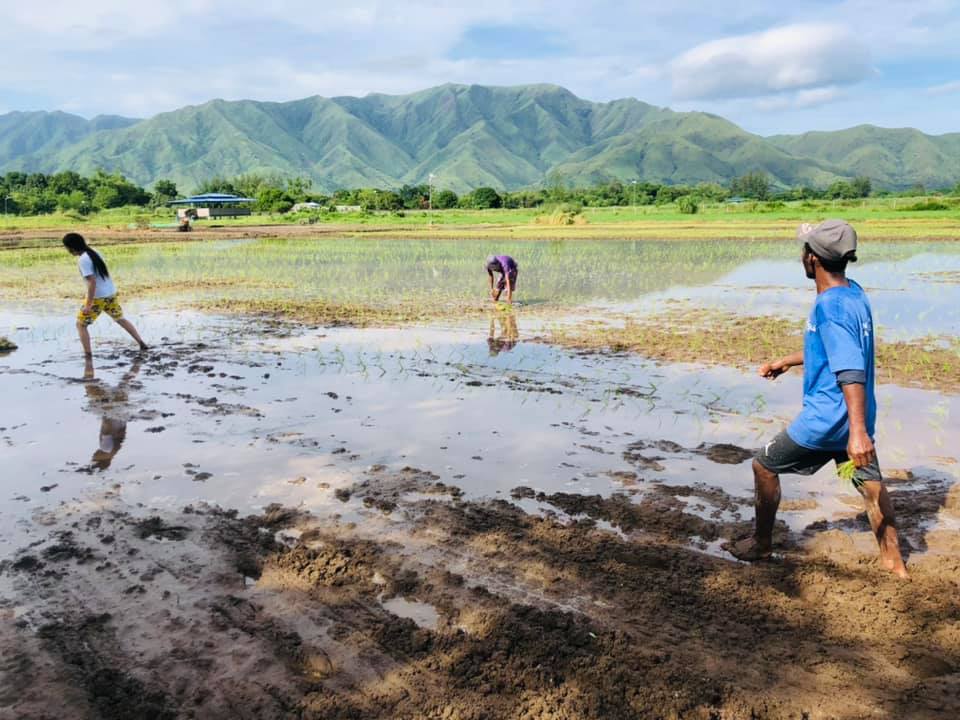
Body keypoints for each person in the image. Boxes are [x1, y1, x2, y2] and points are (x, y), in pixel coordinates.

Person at [723, 220, 908, 579]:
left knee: (764, 465)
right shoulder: (853, 293)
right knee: (870, 485)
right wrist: (785, 362)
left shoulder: (830, 307)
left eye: (803, 252)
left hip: (827, 419)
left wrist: (855, 433)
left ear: (812, 259)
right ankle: (894, 562)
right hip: (855, 417)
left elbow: (850, 370)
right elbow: (834, 349)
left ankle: (761, 544)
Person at [62, 232, 148, 357]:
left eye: (67, 248)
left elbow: (92, 282)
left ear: (72, 247)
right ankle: (141, 343)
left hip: (98, 297)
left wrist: (88, 304)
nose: (68, 250)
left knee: (81, 325)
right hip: (110, 293)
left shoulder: (83, 259)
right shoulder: (94, 252)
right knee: (120, 319)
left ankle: (88, 355)